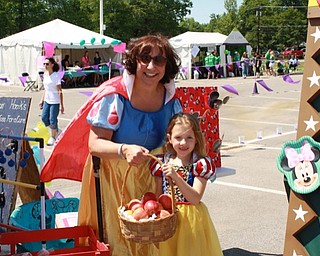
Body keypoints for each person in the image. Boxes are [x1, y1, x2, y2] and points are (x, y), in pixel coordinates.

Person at [76, 34, 183, 256]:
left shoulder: (172, 100)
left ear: (167, 65)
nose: (151, 66)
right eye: (145, 57)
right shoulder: (116, 96)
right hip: (115, 182)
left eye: (159, 60)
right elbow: (94, 144)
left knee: (154, 240)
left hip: (153, 180)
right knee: (120, 243)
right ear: (134, 61)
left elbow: (177, 143)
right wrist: (123, 149)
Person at [149, 112, 223, 256]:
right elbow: (159, 196)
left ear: (196, 139)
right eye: (178, 138)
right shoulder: (162, 163)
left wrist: (176, 177)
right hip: (168, 219)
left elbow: (195, 198)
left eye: (189, 138)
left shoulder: (200, 164)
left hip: (191, 221)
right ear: (170, 139)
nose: (183, 143)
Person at [39, 57, 64, 146]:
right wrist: (41, 100)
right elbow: (45, 89)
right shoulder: (45, 74)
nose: (45, 65)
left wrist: (61, 105)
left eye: (47, 64)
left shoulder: (56, 75)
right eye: (44, 64)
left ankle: (52, 137)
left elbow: (60, 91)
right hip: (47, 100)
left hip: (55, 101)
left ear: (52, 65)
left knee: (52, 119)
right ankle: (56, 130)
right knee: (44, 118)